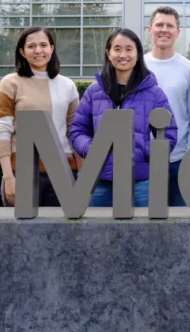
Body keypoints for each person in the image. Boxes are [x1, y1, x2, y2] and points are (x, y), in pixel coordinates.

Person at [70, 28, 177, 206]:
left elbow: (169, 134)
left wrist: (142, 153)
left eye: (129, 49)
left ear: (138, 54)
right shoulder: (94, 92)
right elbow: (77, 131)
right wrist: (92, 150)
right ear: (108, 53)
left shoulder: (154, 93)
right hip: (100, 179)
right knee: (94, 224)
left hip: (141, 181)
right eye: (117, 49)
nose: (123, 55)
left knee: (144, 224)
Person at [0, 26, 80, 207]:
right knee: (21, 226)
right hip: (22, 172)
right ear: (22, 52)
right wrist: (8, 176)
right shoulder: (10, 83)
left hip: (63, 173)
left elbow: (75, 132)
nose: (38, 50)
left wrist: (82, 173)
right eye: (31, 46)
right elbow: (2, 131)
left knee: (63, 226)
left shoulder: (68, 86)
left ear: (52, 48)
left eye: (43, 45)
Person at [145, 6, 190, 206]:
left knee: (182, 220)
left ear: (177, 32)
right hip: (143, 160)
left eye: (170, 26)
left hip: (179, 161)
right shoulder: (136, 67)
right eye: (159, 25)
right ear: (149, 30)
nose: (164, 30)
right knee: (144, 219)